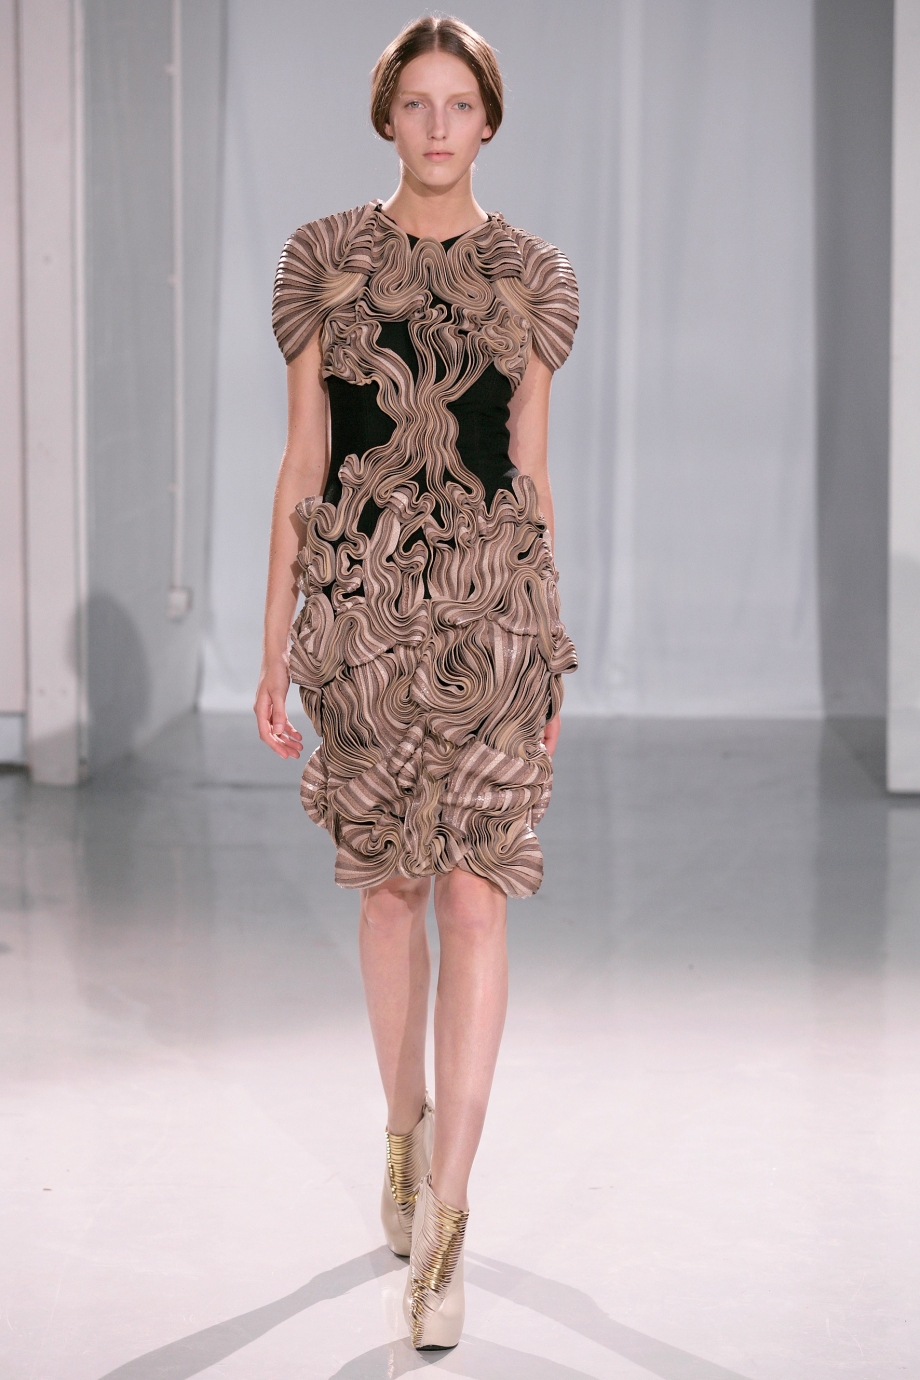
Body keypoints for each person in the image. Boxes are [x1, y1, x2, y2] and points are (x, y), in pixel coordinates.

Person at [255, 14, 578, 1352]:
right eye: (416, 103)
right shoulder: (327, 263)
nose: (438, 126)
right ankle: (403, 1129)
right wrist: (272, 641)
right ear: (386, 117)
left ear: (489, 120)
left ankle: (446, 1220)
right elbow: (304, 460)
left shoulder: (532, 277)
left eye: (460, 104)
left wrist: (549, 646)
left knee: (476, 899)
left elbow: (531, 473)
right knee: (391, 895)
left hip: (492, 619)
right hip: (364, 619)